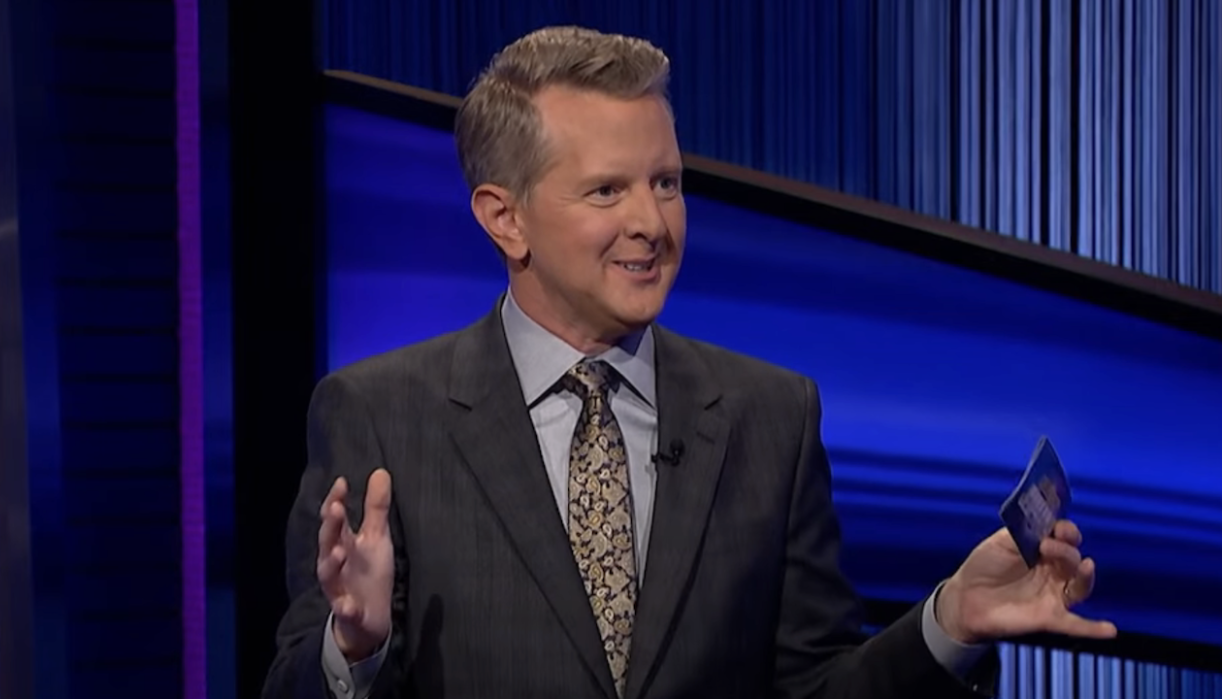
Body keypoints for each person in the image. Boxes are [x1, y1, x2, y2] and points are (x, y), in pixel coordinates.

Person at [262, 25, 1117, 699]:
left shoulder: (769, 416)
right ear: (505, 218)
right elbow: (294, 680)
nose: (652, 222)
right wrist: (355, 650)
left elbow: (815, 687)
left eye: (666, 183)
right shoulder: (381, 414)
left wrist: (949, 621)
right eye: (608, 190)